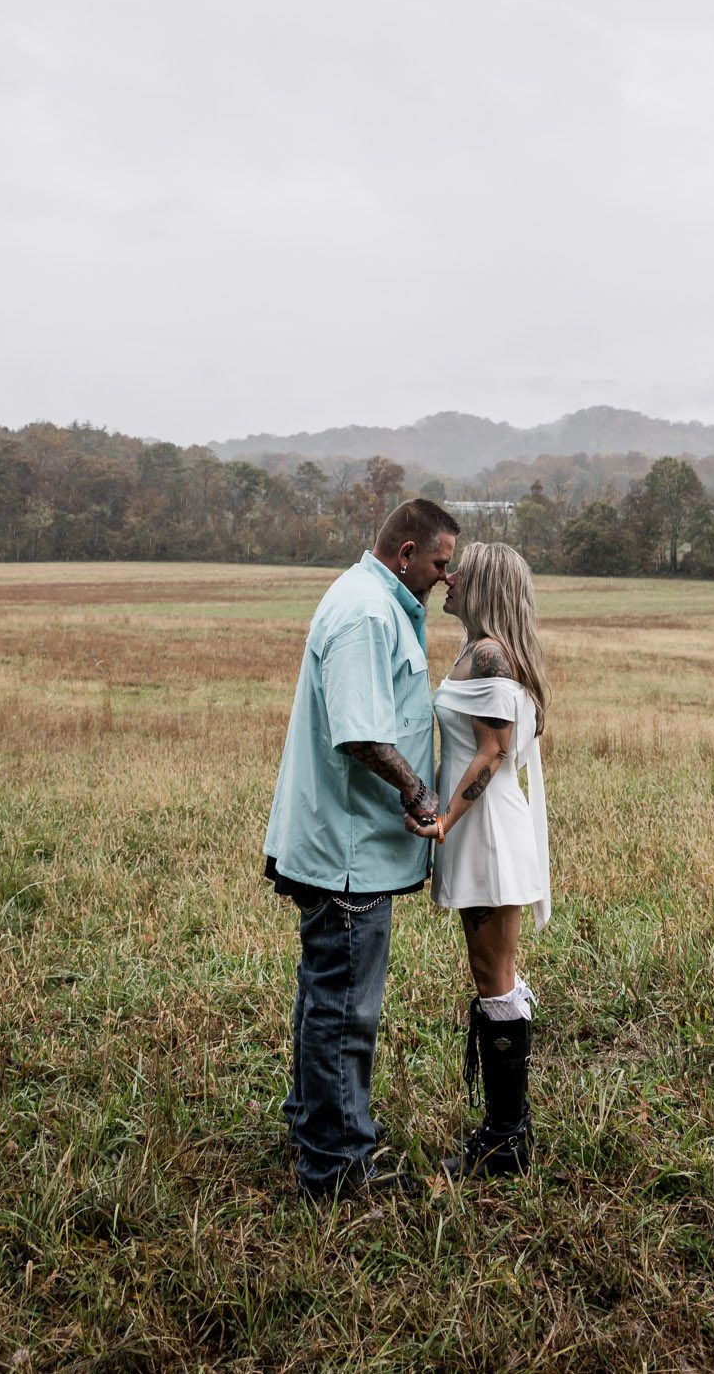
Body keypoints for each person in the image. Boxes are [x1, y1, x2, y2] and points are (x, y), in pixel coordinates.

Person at [263, 495, 459, 1200]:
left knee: (326, 997)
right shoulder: (366, 614)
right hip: (347, 852)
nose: (445, 578)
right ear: (406, 554)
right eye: (439, 564)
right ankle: (337, 1169)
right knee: (345, 1010)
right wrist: (419, 793)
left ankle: (313, 1129)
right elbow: (360, 734)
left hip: (349, 845)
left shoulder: (379, 603)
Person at [410, 538, 550, 1178]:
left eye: (461, 571)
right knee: (488, 969)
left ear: (485, 584)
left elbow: (493, 752)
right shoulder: (476, 650)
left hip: (487, 830)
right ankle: (505, 1128)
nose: (450, 576)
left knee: (493, 974)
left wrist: (444, 819)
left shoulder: (490, 654)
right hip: (478, 829)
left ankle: (504, 1138)